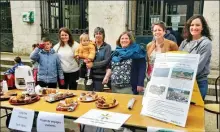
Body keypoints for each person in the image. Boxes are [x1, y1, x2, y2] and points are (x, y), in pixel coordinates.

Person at [179, 15, 212, 100]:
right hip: (183, 82)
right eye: (192, 25)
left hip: (198, 83)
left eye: (197, 25)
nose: (194, 27)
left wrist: (178, 75)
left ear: (202, 27)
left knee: (195, 111)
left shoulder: (206, 43)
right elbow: (178, 60)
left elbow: (198, 67)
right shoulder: (184, 42)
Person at [86, 27, 111, 92]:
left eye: (100, 34)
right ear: (94, 35)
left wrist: (93, 65)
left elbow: (106, 61)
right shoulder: (91, 45)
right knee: (88, 95)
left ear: (103, 35)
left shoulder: (107, 47)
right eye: (96, 33)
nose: (98, 35)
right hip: (89, 76)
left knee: (98, 95)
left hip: (100, 76)